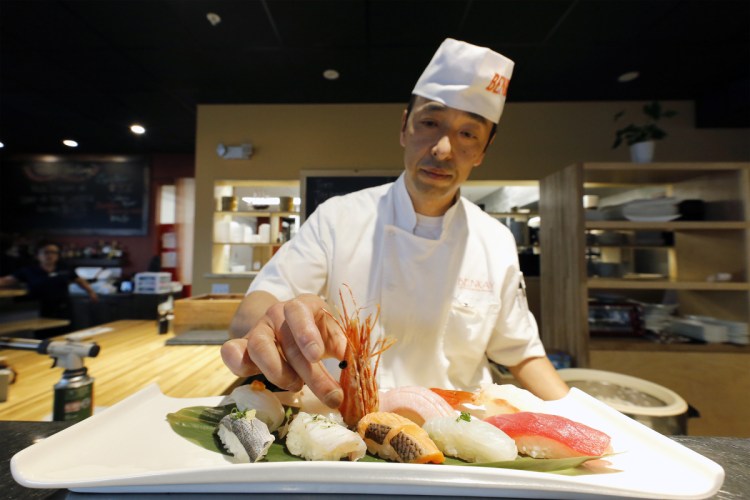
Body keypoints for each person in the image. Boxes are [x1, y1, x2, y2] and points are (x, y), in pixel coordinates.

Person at [221, 38, 569, 408]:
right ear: (405, 127)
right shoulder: (339, 217)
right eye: (430, 122)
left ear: (482, 151)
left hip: (459, 427)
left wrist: (586, 420)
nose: (443, 149)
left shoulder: (495, 240)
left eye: (468, 133)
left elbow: (522, 354)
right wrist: (274, 325)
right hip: (345, 414)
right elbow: (251, 314)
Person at [0, 240, 98, 334]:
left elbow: (79, 280)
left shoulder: (64, 268)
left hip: (62, 308)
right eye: (46, 252)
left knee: (64, 333)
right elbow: (6, 280)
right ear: (38, 255)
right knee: (42, 335)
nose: (50, 255)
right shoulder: (29, 270)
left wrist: (91, 292)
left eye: (54, 252)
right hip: (40, 309)